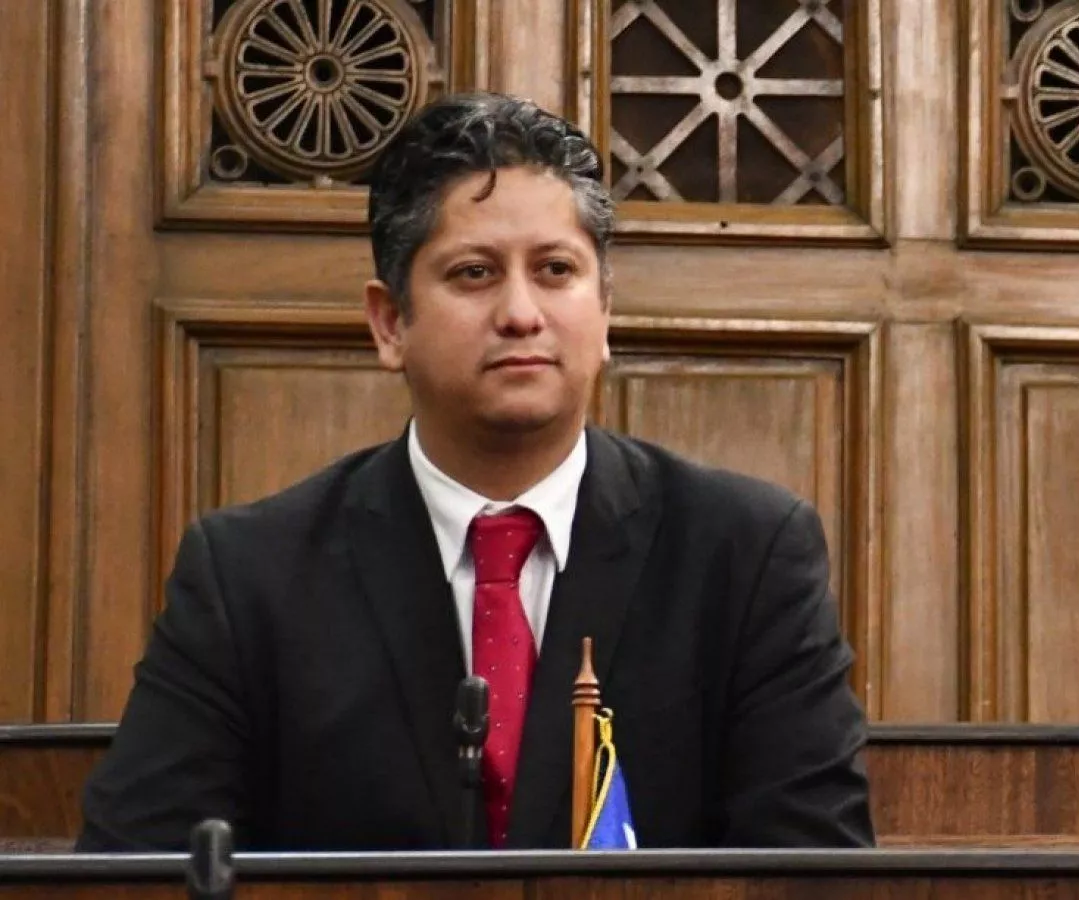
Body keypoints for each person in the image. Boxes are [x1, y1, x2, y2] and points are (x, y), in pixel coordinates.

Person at [75, 91, 875, 852]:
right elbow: (136, 868)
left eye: (556, 271)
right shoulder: (249, 576)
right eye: (475, 273)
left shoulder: (744, 554)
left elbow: (815, 868)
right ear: (390, 323)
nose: (522, 314)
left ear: (604, 312)